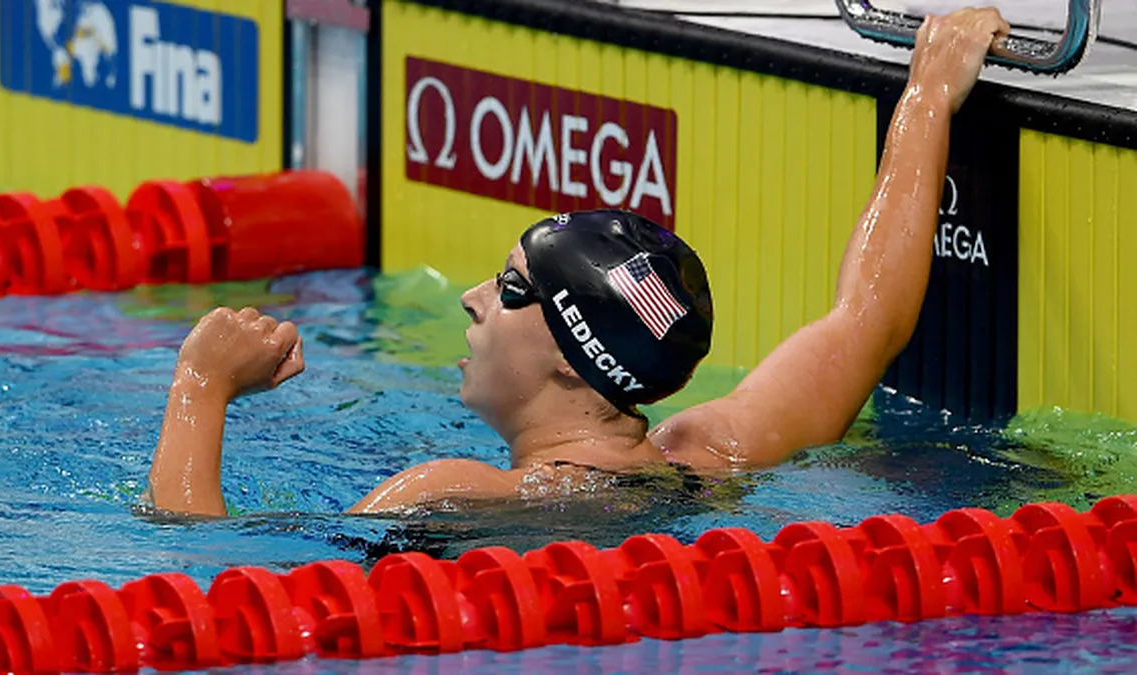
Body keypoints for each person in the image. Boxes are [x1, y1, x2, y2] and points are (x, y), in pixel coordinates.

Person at [145, 7, 1011, 517]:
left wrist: (200, 385)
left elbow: (212, 589)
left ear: (572, 355)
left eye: (511, 288)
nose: (473, 298)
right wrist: (929, 93)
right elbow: (867, 320)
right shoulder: (713, 455)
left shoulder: (453, 495)